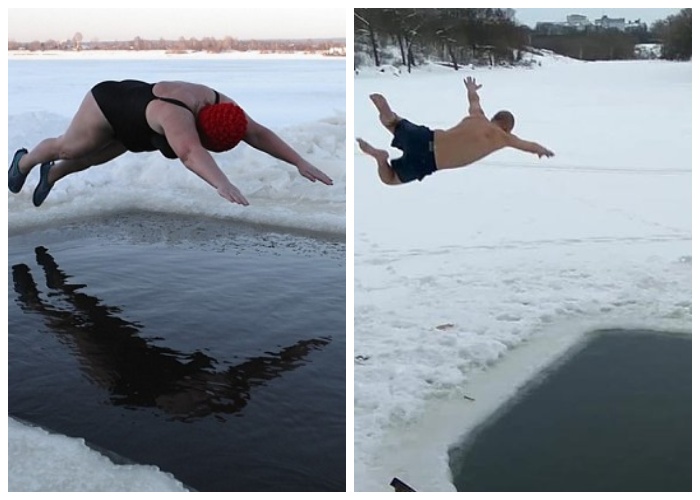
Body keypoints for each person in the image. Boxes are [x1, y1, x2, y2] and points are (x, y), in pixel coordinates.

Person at [9, 79, 333, 207]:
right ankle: (24, 161)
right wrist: (222, 183)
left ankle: (50, 176)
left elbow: (258, 133)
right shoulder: (177, 115)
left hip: (139, 127)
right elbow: (191, 152)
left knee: (95, 159)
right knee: (73, 148)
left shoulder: (226, 108)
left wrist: (299, 161)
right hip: (108, 106)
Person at [356, 76, 554, 185]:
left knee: (393, 123)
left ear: (494, 118)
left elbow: (474, 101)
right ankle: (381, 159)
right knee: (390, 179)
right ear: (507, 128)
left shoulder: (478, 116)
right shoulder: (502, 137)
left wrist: (471, 89)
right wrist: (542, 150)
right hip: (429, 161)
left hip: (426, 137)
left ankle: (389, 114)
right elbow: (527, 145)